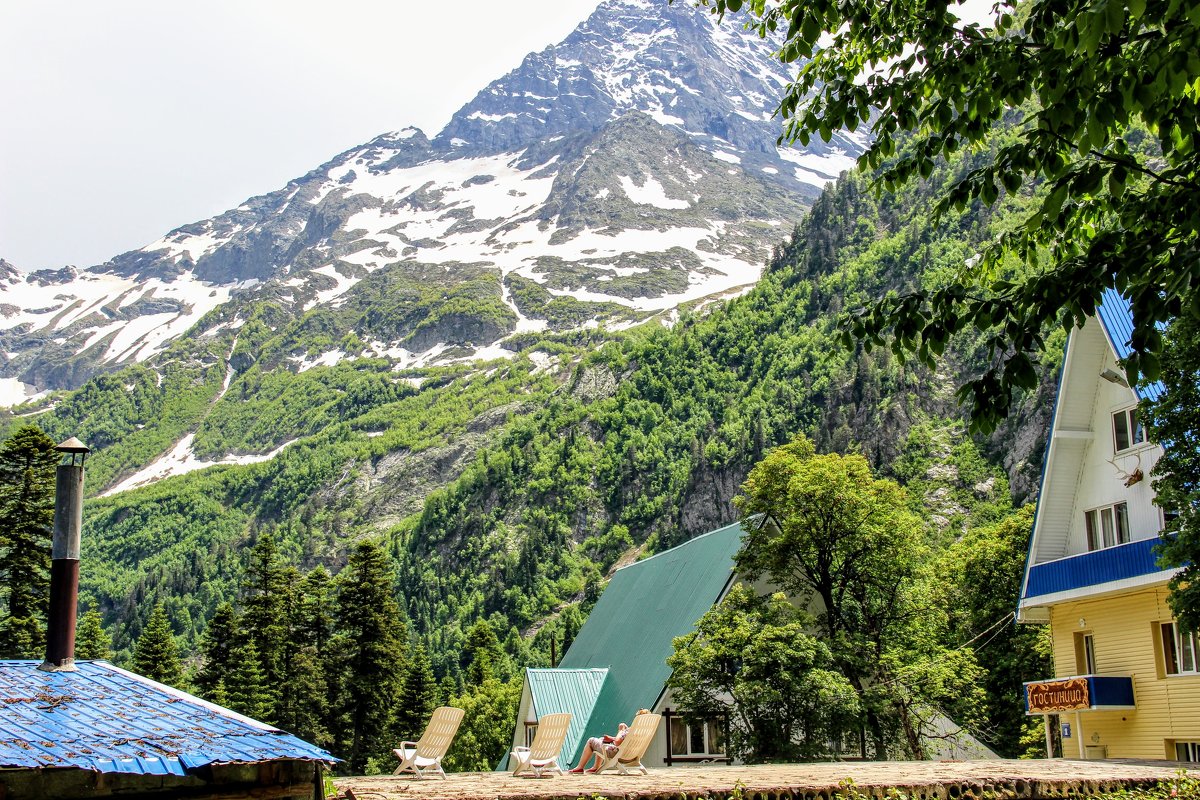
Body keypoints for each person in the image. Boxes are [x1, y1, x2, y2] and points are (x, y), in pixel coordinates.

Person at [568, 709, 649, 774]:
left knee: (591, 741)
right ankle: (596, 767)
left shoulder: (630, 731)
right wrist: (612, 738)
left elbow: (617, 742)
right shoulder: (644, 732)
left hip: (618, 755)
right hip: (632, 756)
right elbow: (623, 742)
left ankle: (580, 767)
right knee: (601, 739)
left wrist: (621, 730)